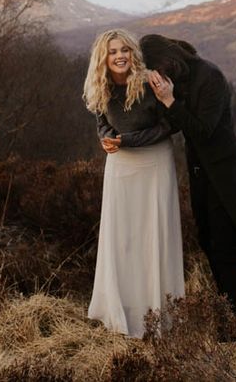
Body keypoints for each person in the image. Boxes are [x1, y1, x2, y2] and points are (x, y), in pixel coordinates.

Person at [139, 34, 236, 314]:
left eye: (156, 68)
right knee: (207, 239)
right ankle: (226, 305)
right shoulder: (178, 79)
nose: (158, 76)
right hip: (200, 170)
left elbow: (203, 130)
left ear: (166, 59)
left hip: (224, 171)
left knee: (225, 243)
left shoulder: (210, 77)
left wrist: (169, 101)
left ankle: (235, 314)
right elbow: (173, 125)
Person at [83, 29, 184, 338]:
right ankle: (120, 310)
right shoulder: (100, 85)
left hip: (155, 164)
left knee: (153, 236)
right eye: (113, 51)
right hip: (120, 168)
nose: (120, 55)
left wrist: (127, 140)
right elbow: (103, 122)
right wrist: (105, 139)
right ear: (104, 57)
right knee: (123, 238)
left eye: (125, 49)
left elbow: (172, 124)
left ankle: (158, 312)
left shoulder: (151, 81)